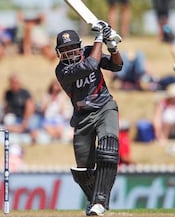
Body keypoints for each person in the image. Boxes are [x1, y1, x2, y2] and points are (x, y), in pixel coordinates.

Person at [55, 20, 123, 216]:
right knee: (83, 170)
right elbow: (91, 64)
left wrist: (112, 46)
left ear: (79, 46)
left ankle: (100, 202)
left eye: (72, 47)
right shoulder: (62, 71)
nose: (69, 52)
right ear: (59, 52)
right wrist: (100, 37)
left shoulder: (88, 51)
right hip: (82, 117)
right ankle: (94, 199)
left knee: (109, 146)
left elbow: (117, 66)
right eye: (64, 49)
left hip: (104, 107)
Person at [1, 74, 41, 142]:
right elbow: (7, 106)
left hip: (27, 117)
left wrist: (25, 121)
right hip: (16, 117)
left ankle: (25, 131)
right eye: (13, 82)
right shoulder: (8, 93)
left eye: (16, 82)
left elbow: (30, 107)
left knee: (32, 125)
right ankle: (20, 130)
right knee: (7, 123)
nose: (15, 84)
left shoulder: (25, 93)